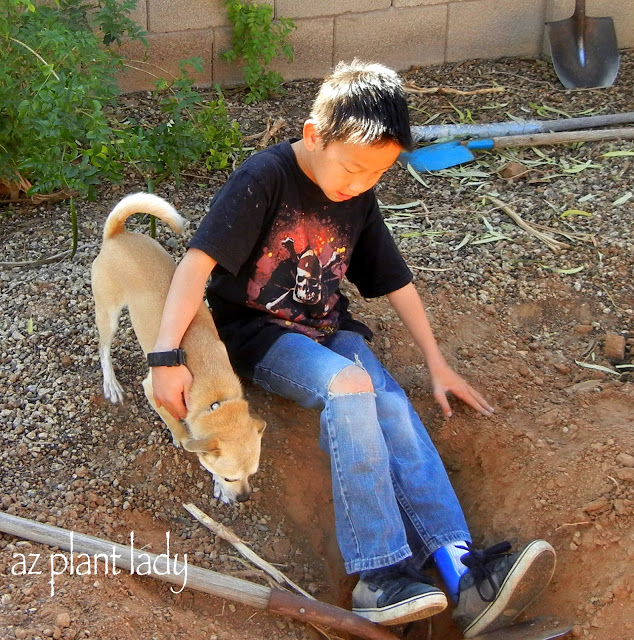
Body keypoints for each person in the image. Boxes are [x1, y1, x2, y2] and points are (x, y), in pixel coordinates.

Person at [148, 60, 556, 637]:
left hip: (327, 327)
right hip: (260, 335)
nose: (359, 185)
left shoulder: (358, 194)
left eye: (377, 175)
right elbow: (197, 263)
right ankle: (378, 572)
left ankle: (461, 572)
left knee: (389, 403)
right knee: (350, 386)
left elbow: (394, 279)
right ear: (316, 136)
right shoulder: (265, 177)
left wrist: (436, 362)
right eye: (353, 169)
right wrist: (166, 357)